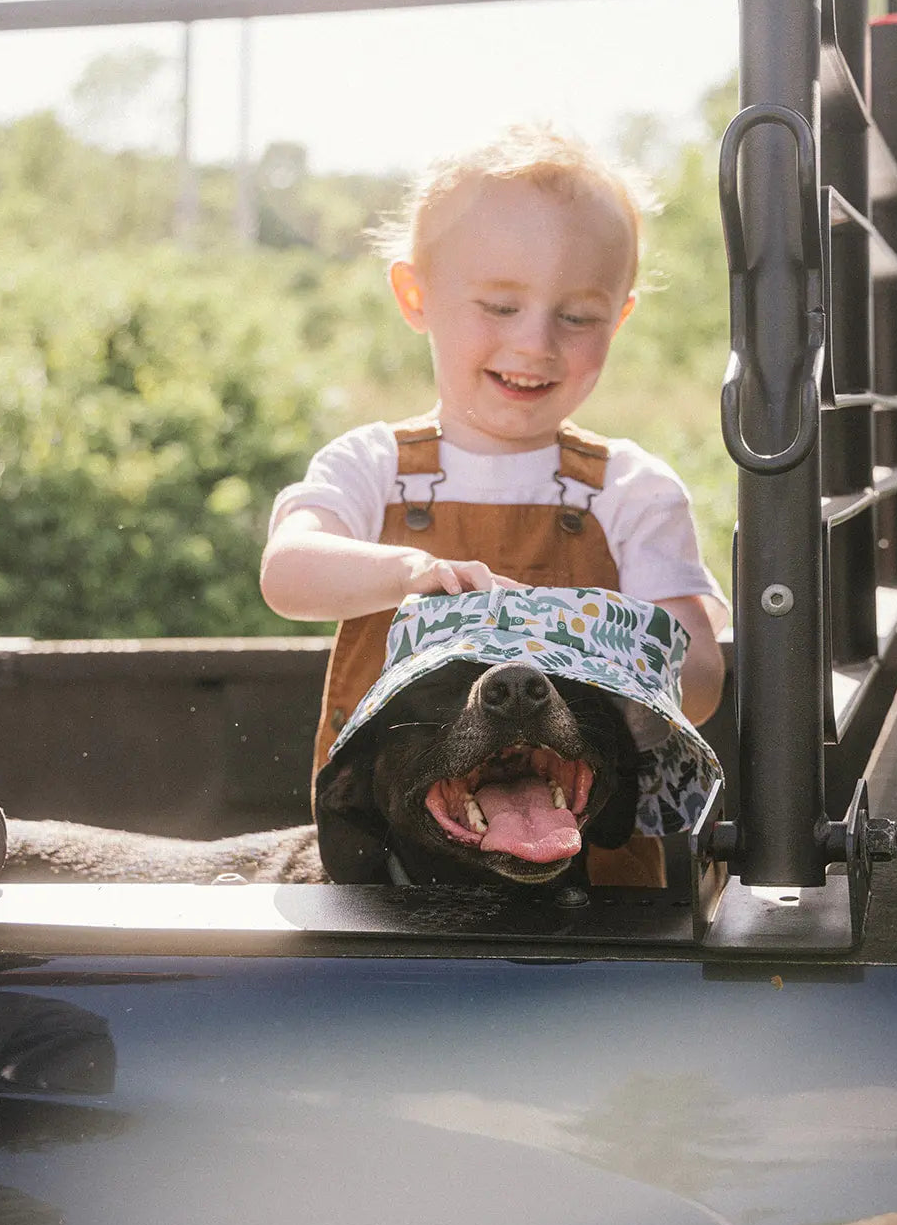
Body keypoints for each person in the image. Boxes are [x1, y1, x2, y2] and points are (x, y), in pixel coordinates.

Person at [260, 124, 728, 878]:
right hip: (393, 874)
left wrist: (613, 646)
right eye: (499, 306)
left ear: (621, 316)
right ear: (416, 296)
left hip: (594, 881)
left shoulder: (631, 488)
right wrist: (409, 572)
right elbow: (287, 574)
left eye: (577, 317)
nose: (536, 344)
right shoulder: (371, 465)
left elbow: (699, 683)